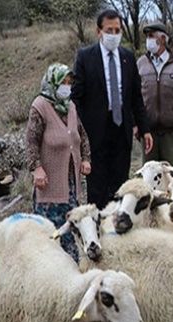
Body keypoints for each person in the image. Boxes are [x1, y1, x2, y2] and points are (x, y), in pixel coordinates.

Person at [71, 10, 153, 210]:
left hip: (121, 129)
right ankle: (97, 229)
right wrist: (77, 132)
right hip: (95, 131)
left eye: (117, 30)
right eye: (109, 30)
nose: (114, 34)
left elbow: (136, 97)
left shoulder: (127, 57)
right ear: (99, 31)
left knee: (120, 186)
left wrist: (145, 129)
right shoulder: (85, 57)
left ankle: (117, 226)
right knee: (97, 187)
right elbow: (76, 97)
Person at [26, 63, 90, 262]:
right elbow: (31, 141)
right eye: (63, 82)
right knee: (50, 235)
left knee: (72, 231)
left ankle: (71, 274)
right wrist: (36, 168)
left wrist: (86, 158)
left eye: (70, 82)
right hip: (50, 186)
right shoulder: (40, 106)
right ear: (53, 82)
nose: (67, 86)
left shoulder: (70, 107)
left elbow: (82, 135)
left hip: (71, 185)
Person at [138, 23, 173, 169]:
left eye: (151, 36)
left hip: (172, 131)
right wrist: (135, 124)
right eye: (147, 37)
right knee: (150, 177)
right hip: (148, 131)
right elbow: (135, 97)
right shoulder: (141, 63)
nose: (148, 40)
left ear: (162, 39)